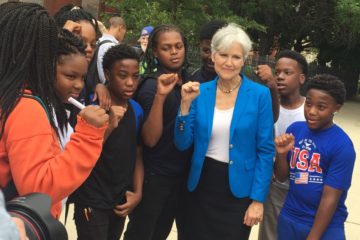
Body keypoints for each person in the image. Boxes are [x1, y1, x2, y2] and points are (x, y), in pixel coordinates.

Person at [0, 2, 109, 219]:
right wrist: (88, 135)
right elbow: (39, 188)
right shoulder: (25, 107)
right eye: (49, 47)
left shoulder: (7, 94)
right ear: (37, 53)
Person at [174, 23, 274, 240]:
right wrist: (184, 107)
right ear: (213, 56)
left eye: (236, 57)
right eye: (224, 55)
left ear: (244, 59)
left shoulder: (260, 95)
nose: (229, 63)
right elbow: (182, 143)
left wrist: (258, 200)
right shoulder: (200, 92)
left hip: (238, 191)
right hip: (200, 186)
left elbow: (266, 151)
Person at [123, 24, 193, 240]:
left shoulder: (189, 81)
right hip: (155, 176)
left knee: (160, 233)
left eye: (178, 46)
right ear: (154, 51)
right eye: (166, 48)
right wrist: (160, 97)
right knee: (142, 233)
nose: (174, 52)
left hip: (179, 176)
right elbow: (149, 139)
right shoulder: (151, 86)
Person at [68, 44, 144, 240]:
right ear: (108, 74)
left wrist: (138, 192)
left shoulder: (136, 110)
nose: (130, 82)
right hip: (91, 199)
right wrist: (110, 124)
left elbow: (137, 154)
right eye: (122, 75)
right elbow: (83, 153)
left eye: (135, 76)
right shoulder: (92, 110)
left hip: (118, 200)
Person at [274, 74, 356, 240]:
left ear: (337, 108)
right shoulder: (295, 129)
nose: (311, 111)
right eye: (308, 103)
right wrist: (281, 154)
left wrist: (313, 237)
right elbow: (282, 176)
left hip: (326, 226)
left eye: (321, 107)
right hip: (290, 216)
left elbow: (330, 199)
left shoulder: (342, 145)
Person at [258, 50, 308, 240]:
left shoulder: (309, 111)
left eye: (287, 73)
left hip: (301, 188)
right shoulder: (267, 105)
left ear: (301, 78)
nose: (280, 77)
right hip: (275, 187)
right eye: (277, 72)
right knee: (270, 234)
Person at [54, 4, 111, 111]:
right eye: (81, 41)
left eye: (93, 45)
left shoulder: (87, 85)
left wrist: (97, 86)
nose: (89, 49)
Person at [97, 16, 127, 84]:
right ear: (120, 28)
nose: (123, 35)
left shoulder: (98, 41)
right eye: (124, 32)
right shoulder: (111, 46)